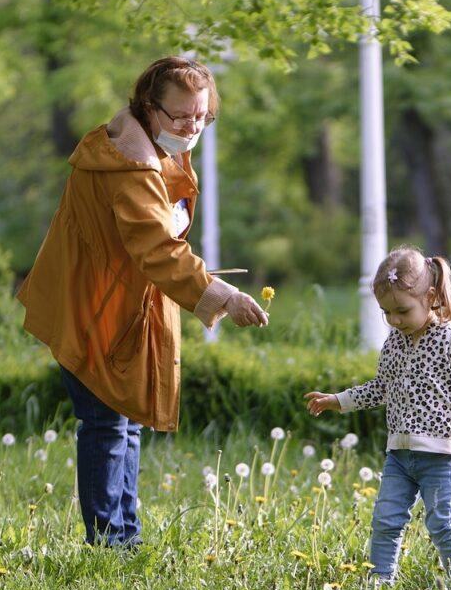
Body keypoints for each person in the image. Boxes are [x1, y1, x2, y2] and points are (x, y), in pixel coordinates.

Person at [16, 56, 269, 547]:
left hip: (120, 306)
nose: (192, 126)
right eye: (181, 116)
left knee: (124, 424)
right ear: (149, 108)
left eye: (201, 115)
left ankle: (124, 538)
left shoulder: (158, 148)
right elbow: (157, 247)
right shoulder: (129, 163)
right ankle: (109, 545)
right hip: (95, 307)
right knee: (108, 426)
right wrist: (222, 295)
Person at [304, 246, 451, 583]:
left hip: (442, 456)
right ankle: (379, 582)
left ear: (431, 296)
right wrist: (338, 400)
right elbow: (380, 388)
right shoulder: (393, 342)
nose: (394, 320)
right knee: (386, 520)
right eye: (386, 313)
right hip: (399, 456)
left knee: (441, 522)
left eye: (402, 311)